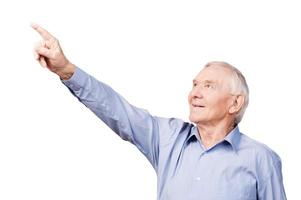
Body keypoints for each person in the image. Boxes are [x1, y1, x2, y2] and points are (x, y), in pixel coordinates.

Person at [32, 23, 287, 200]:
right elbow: (118, 111)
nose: (195, 93)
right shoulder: (168, 137)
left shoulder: (261, 159)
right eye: (195, 84)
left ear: (235, 104)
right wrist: (65, 69)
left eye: (208, 86)